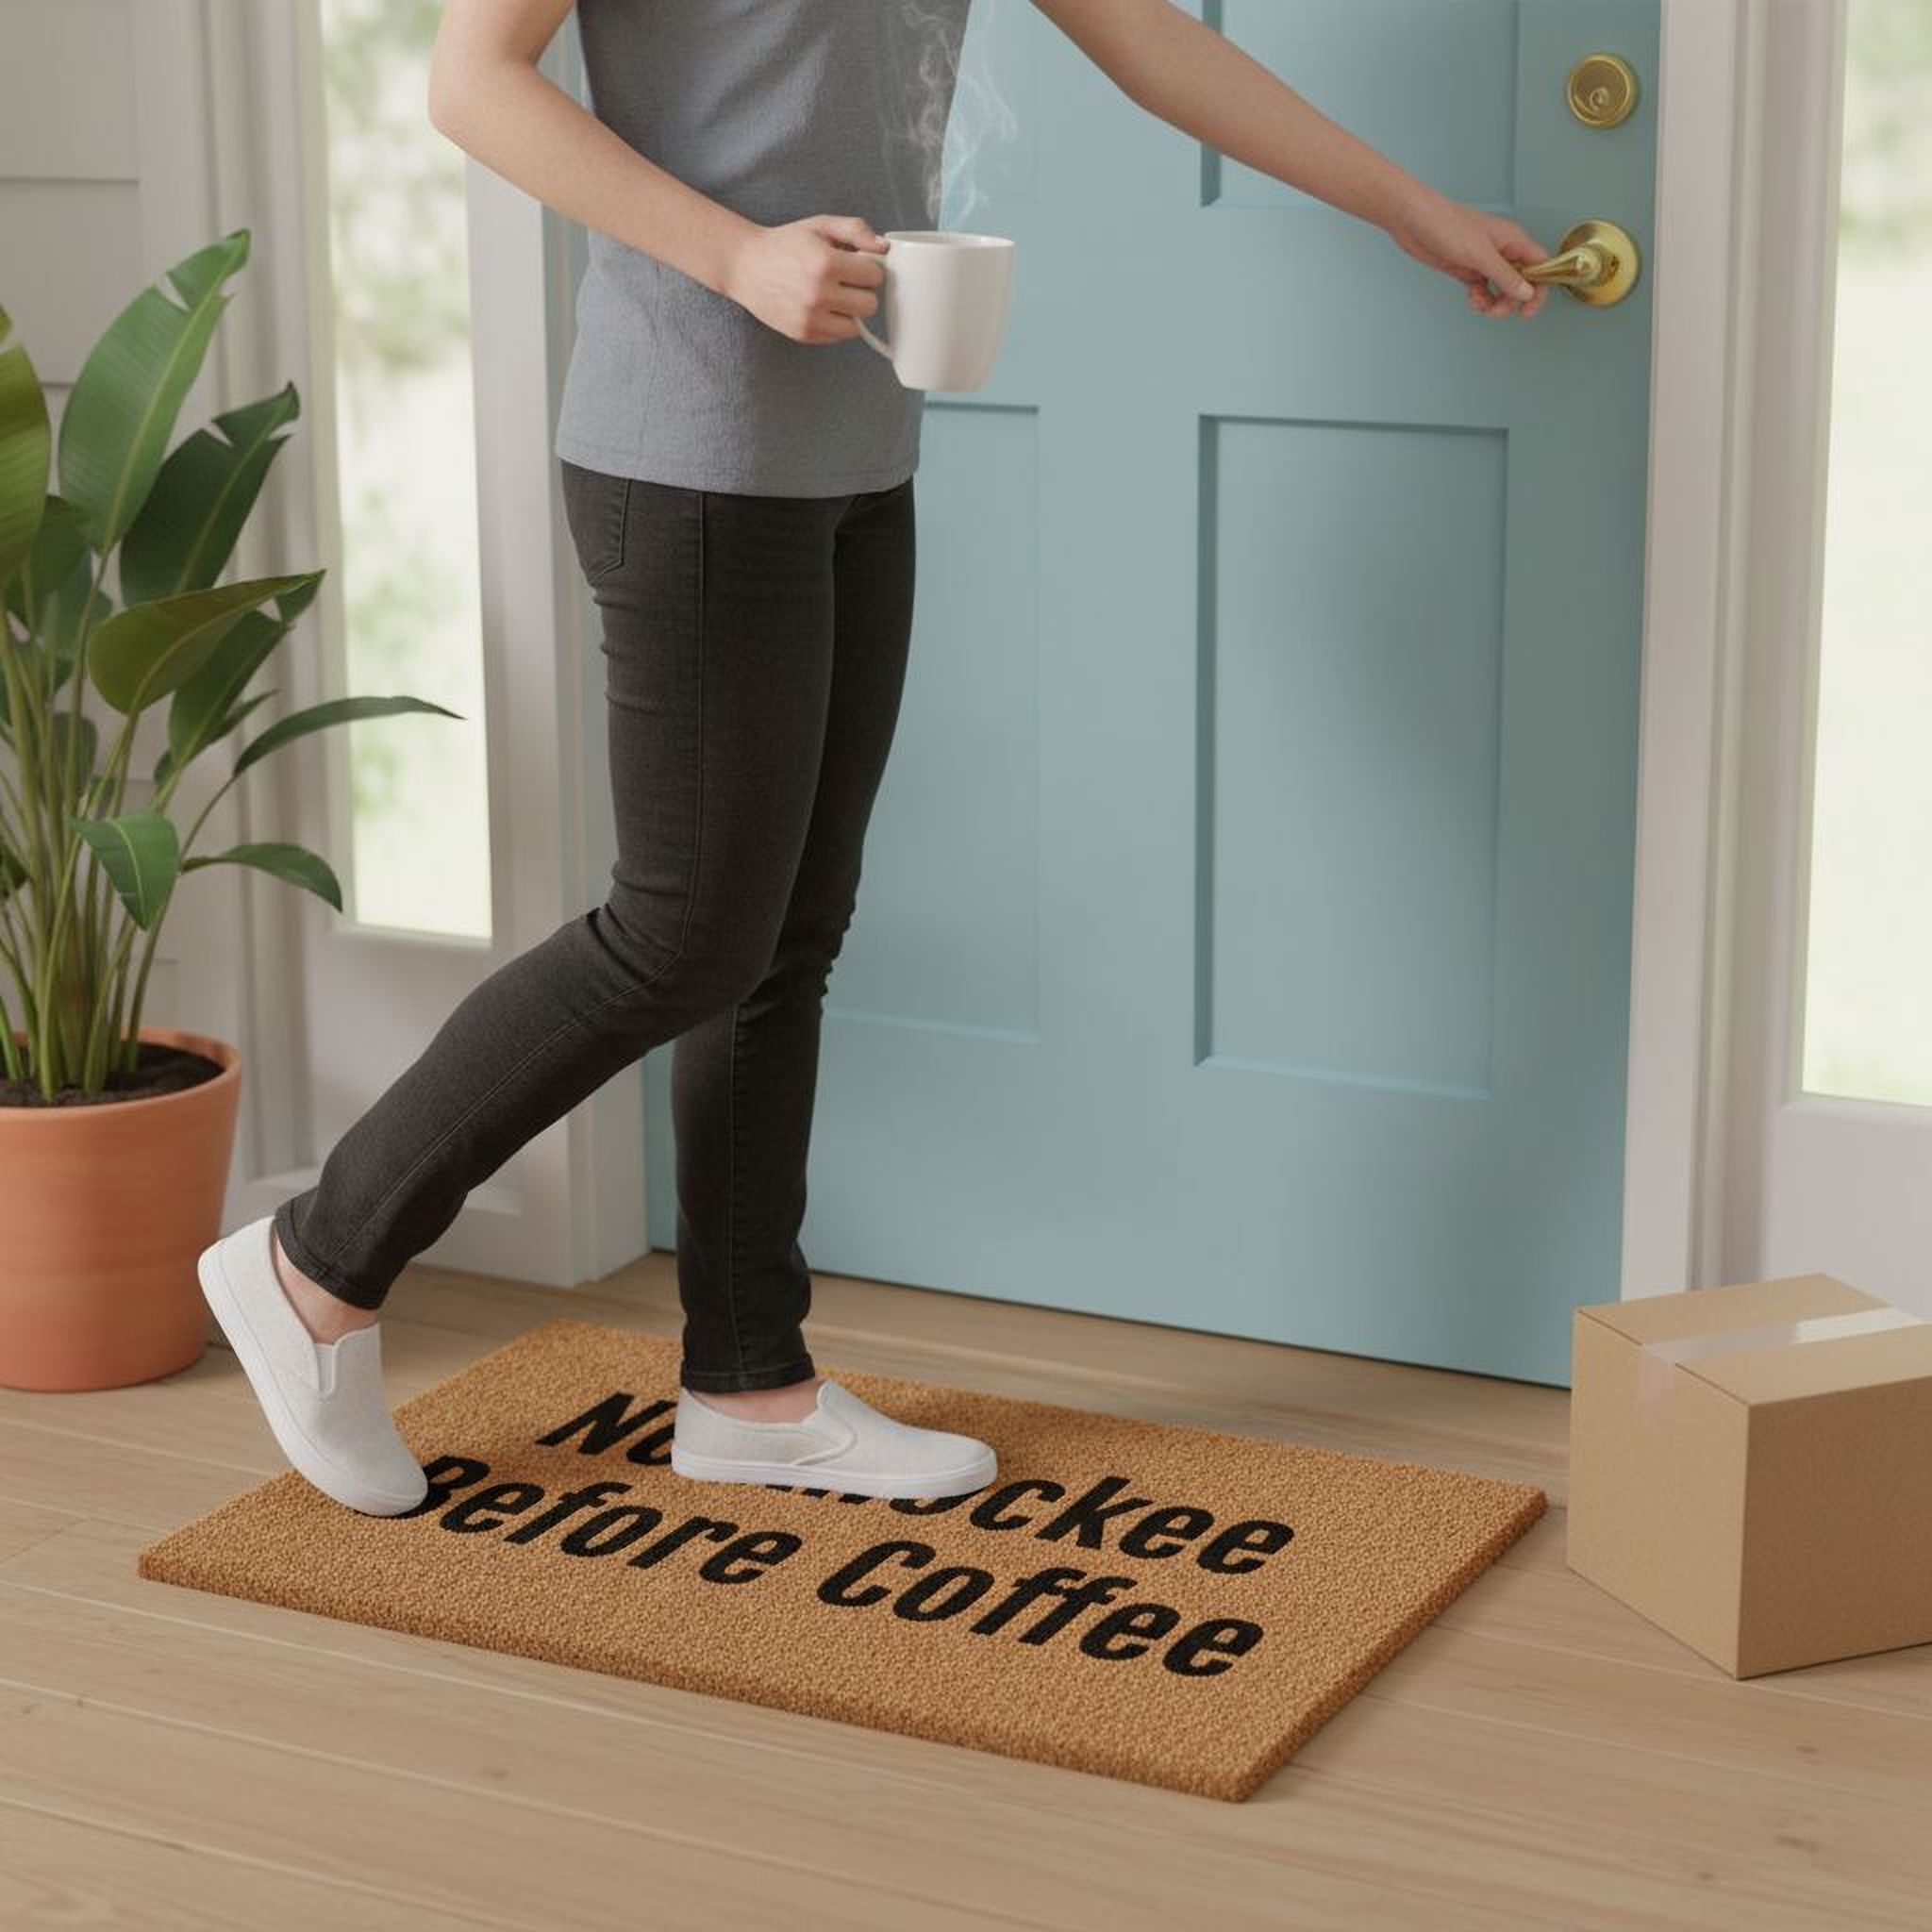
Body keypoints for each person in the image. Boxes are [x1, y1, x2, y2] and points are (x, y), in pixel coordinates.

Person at [197, 0, 1550, 1519]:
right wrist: (737, 254)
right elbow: (472, 83)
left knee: (786, 936)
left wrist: (1412, 212)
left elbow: (1151, 38)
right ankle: (317, 1261)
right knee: (685, 933)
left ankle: (751, 1388)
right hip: (688, 445)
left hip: (850, 449)